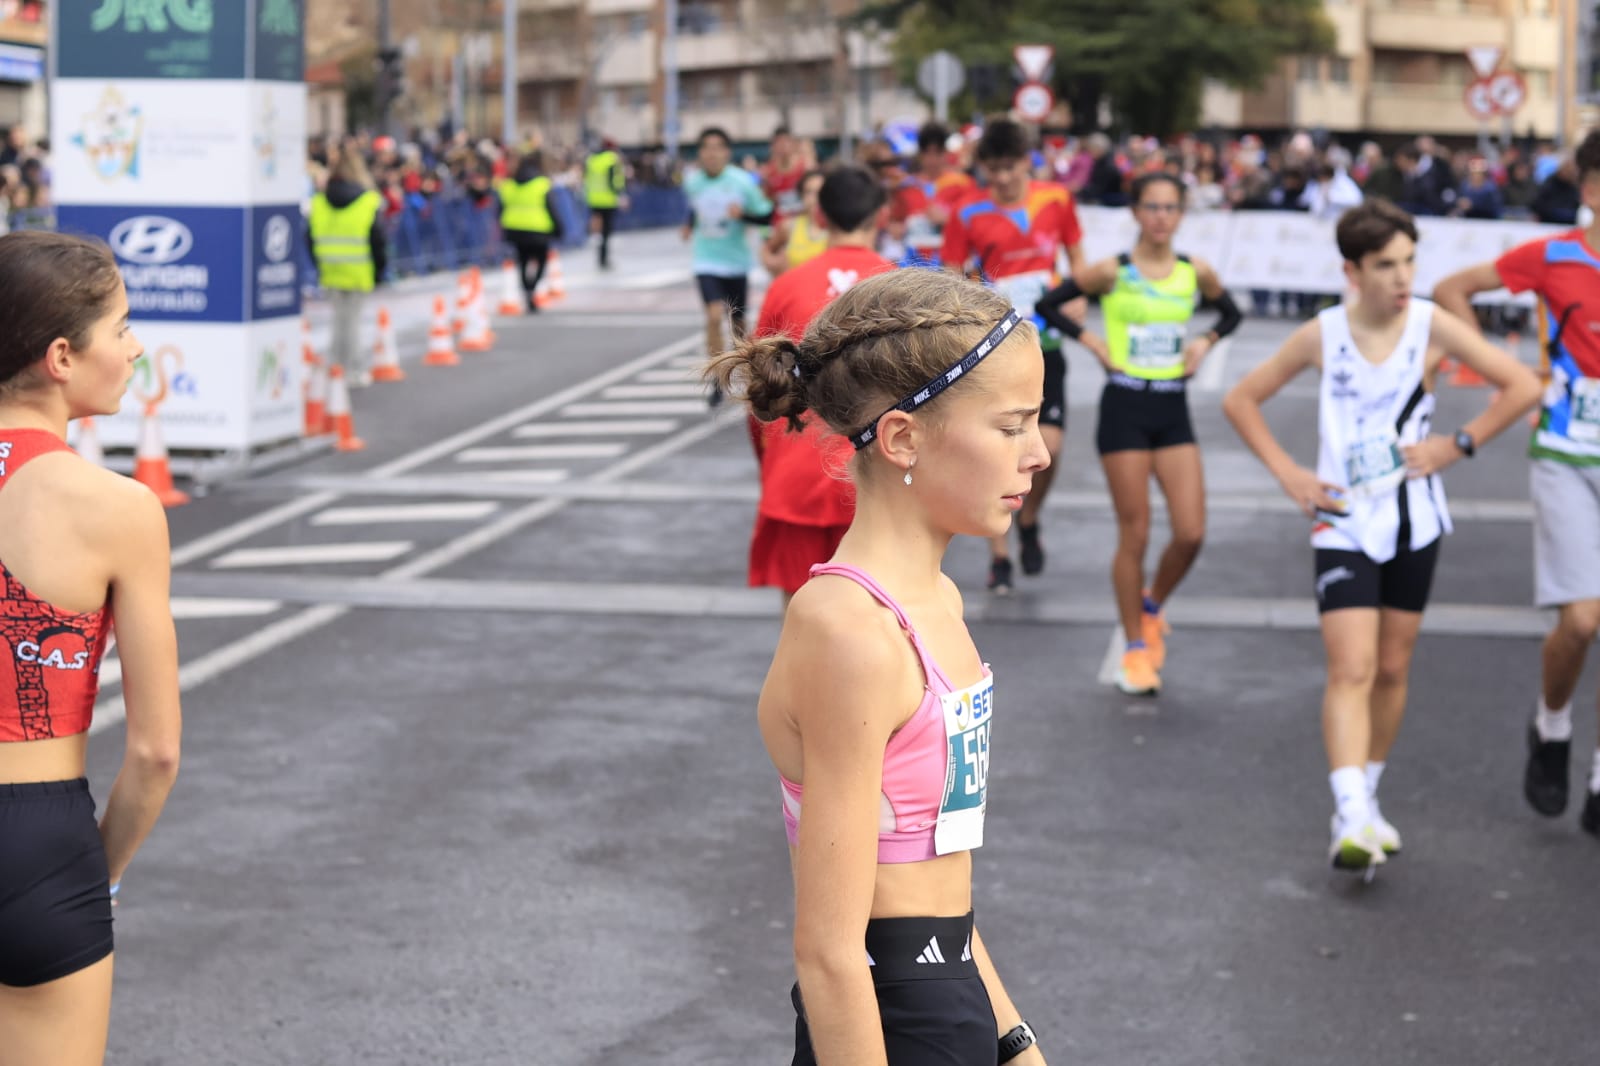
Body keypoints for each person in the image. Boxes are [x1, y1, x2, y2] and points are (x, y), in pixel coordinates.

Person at [706, 267, 1049, 1066]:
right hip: (888, 1028)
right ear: (902, 439)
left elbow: (940, 885)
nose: (1036, 454)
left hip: (955, 997)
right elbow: (830, 953)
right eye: (1011, 426)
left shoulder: (941, 601)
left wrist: (1017, 1043)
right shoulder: (849, 632)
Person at [1222, 201, 1539, 872]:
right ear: (1352, 270)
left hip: (1416, 520)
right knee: (1352, 668)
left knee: (1393, 669)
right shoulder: (1323, 334)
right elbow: (1241, 398)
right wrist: (1290, 474)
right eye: (1387, 266)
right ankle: (1350, 811)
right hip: (1341, 521)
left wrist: (1457, 446)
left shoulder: (1432, 325)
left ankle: (1364, 797)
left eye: (1409, 262)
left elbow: (1518, 386)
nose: (1403, 278)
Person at [0, 231, 182, 1064]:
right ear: (62, 355)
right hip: (38, 843)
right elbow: (155, 752)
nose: (135, 347)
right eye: (122, 328)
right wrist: (92, 874)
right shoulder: (116, 509)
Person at [1433, 129, 1600, 836]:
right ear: (1591, 188)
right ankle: (1552, 725)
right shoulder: (1555, 256)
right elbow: (1450, 289)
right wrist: (1499, 363)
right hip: (1566, 452)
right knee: (1584, 620)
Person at [1036, 173, 1242, 696]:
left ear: (1181, 213)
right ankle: (1134, 648)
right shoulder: (1113, 272)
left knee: (1191, 531)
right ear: (1135, 212)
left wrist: (1205, 341)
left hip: (1172, 408)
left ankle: (1151, 607)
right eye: (1151, 206)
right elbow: (1048, 305)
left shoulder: (1195, 271)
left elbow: (1233, 312)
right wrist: (1090, 340)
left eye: (1170, 207)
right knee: (1137, 533)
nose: (1160, 216)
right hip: (1124, 406)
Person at [941, 119, 1085, 594]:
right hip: (995, 346)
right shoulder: (967, 212)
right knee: (999, 449)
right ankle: (999, 553)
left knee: (1051, 448)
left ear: (1028, 161)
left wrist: (1078, 296)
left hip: (1047, 342)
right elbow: (950, 278)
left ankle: (1030, 518)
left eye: (1009, 167)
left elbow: (1077, 258)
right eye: (992, 169)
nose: (1001, 178)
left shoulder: (1056, 199)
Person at [747, 167, 898, 607]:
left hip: (797, 467)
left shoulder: (786, 285)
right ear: (881, 216)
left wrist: (768, 460)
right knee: (881, 625)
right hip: (882, 476)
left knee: (801, 624)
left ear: (819, 215)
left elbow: (760, 393)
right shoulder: (902, 287)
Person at [683, 127, 774, 407]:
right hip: (705, 259)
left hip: (736, 263)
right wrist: (689, 224)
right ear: (700, 153)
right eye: (706, 147)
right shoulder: (692, 182)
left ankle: (747, 377)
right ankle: (716, 376)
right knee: (713, 315)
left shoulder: (742, 182)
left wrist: (742, 214)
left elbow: (766, 215)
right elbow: (695, 207)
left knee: (738, 327)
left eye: (717, 147)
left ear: (726, 152)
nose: (712, 153)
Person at [308, 144, 387, 387]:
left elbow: (309, 237)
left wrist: (319, 262)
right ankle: (353, 369)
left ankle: (334, 366)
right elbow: (377, 240)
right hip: (358, 269)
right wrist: (380, 270)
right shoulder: (367, 201)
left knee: (338, 321)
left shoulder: (320, 201)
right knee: (352, 322)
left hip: (330, 268)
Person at [888, 122, 976, 267]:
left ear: (945, 153)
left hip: (952, 266)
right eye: (927, 152)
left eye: (938, 152)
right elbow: (894, 223)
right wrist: (898, 229)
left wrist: (949, 220)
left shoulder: (963, 184)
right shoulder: (906, 187)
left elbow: (976, 225)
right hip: (912, 266)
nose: (932, 159)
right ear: (920, 155)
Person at [496, 150, 564, 313]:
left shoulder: (509, 185)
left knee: (523, 262)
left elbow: (501, 208)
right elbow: (551, 208)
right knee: (540, 261)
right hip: (538, 229)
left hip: (515, 229)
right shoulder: (542, 184)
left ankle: (527, 289)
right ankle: (531, 288)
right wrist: (559, 228)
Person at [760, 168, 828, 278]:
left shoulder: (837, 227)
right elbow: (767, 249)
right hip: (796, 292)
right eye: (808, 192)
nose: (814, 198)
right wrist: (773, 265)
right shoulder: (790, 226)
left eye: (820, 192)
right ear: (801, 196)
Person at [584, 137, 627, 270]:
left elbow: (586, 178)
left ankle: (599, 253)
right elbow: (614, 180)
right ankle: (603, 258)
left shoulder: (591, 160)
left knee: (598, 230)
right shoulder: (611, 159)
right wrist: (621, 195)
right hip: (608, 200)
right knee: (606, 232)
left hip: (593, 199)